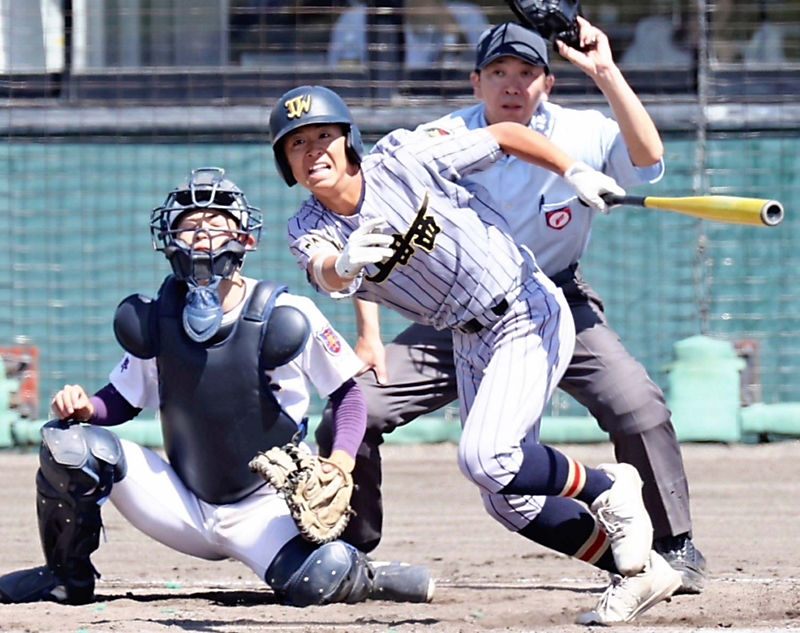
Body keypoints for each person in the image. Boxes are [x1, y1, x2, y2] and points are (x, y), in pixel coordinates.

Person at [316, 19, 708, 598]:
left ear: (547, 84)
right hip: (445, 318)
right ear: (476, 83)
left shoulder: (582, 131)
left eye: (526, 73)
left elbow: (649, 161)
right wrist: (368, 336)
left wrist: (604, 71)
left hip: (551, 300)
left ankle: (670, 544)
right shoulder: (444, 135)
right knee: (354, 409)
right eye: (498, 72)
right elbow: (364, 224)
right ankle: (348, 548)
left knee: (637, 406)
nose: (511, 84)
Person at [0, 167, 433, 608]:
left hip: (263, 509)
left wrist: (340, 462)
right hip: (181, 503)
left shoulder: (285, 313)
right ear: (169, 240)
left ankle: (368, 574)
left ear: (246, 239)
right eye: (189, 224)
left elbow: (348, 395)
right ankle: (64, 579)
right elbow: (122, 400)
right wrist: (85, 408)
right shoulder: (158, 316)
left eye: (216, 222)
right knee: (68, 444)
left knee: (322, 578)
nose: (201, 234)